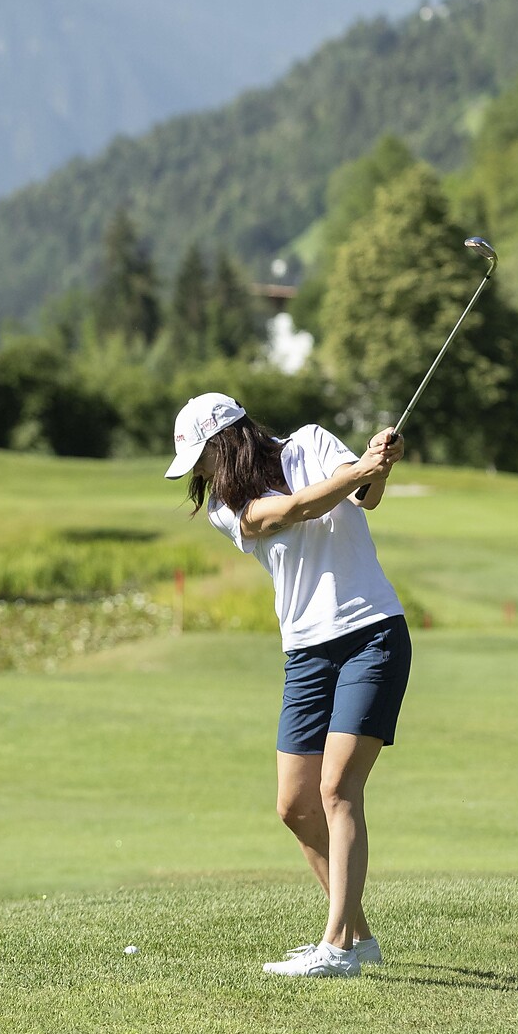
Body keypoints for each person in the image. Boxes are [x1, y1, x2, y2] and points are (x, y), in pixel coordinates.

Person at [166, 392, 410, 979]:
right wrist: (360, 470)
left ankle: (337, 947)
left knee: (337, 789)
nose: (200, 474)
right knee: (296, 806)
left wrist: (378, 465)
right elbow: (291, 512)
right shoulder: (234, 509)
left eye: (202, 458)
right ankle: (357, 934)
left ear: (227, 443)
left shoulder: (312, 443)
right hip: (304, 652)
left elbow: (364, 497)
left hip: (369, 632)